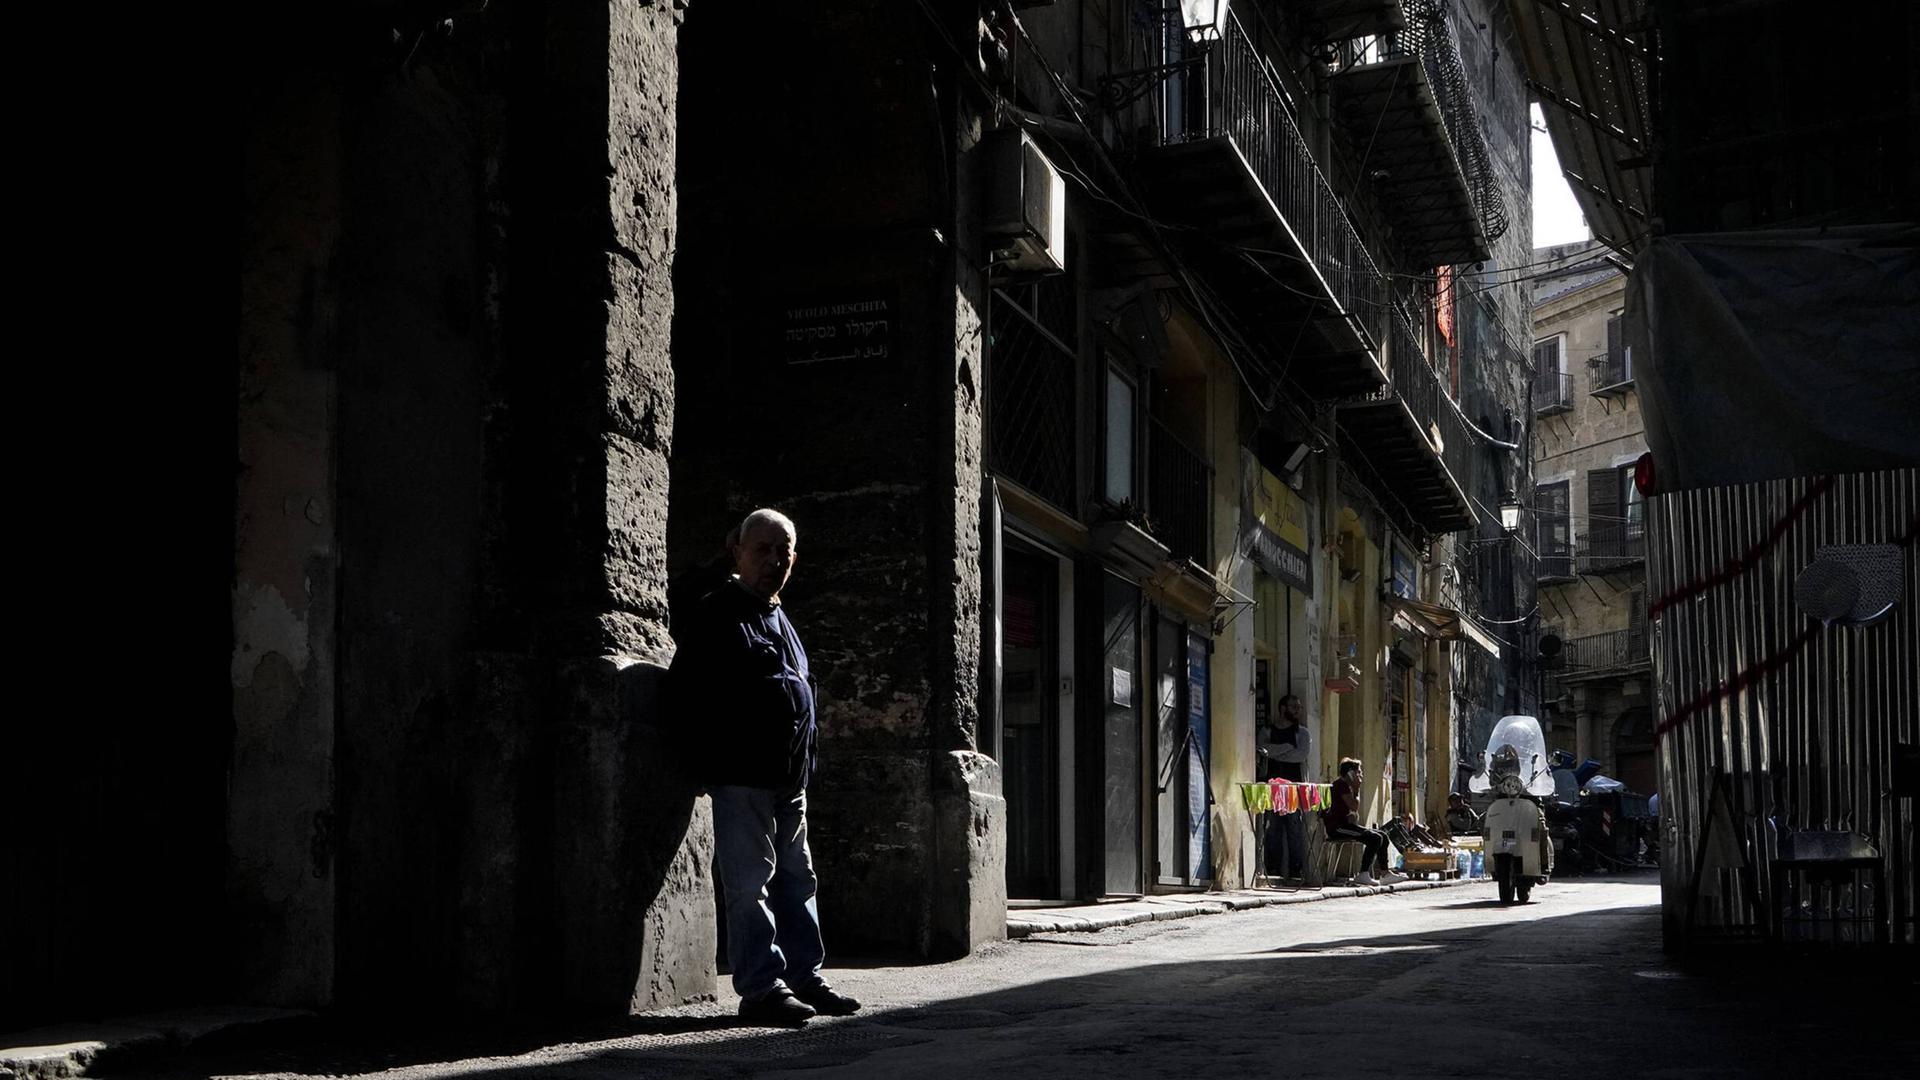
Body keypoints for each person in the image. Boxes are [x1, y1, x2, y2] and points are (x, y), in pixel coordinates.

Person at [667, 509, 860, 1025]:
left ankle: (804, 977)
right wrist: (706, 763)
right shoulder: (717, 613)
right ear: (737, 551)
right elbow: (685, 694)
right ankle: (761, 989)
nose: (775, 560)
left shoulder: (780, 616)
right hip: (741, 776)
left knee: (798, 880)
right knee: (750, 883)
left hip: (789, 780)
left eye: (784, 551)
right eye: (763, 549)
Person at [1322, 758, 1406, 886]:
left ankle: (1385, 874)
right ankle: (1363, 873)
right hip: (1337, 828)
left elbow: (1351, 810)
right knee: (1375, 838)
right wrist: (1357, 789)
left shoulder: (1346, 786)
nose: (1360, 776)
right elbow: (1354, 806)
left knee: (1383, 835)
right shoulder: (1341, 785)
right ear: (1350, 773)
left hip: (1346, 825)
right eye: (1358, 772)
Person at [1258, 694, 1313, 881]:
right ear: (1283, 708)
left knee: (1295, 830)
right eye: (1294, 707)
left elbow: (1301, 755)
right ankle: (1273, 870)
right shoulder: (1267, 731)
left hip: (1294, 789)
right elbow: (1262, 749)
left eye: (1299, 707)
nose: (1298, 711)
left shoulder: (1303, 733)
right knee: (1272, 830)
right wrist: (1286, 747)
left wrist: (1275, 752)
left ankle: (1296, 871)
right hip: (1272, 788)